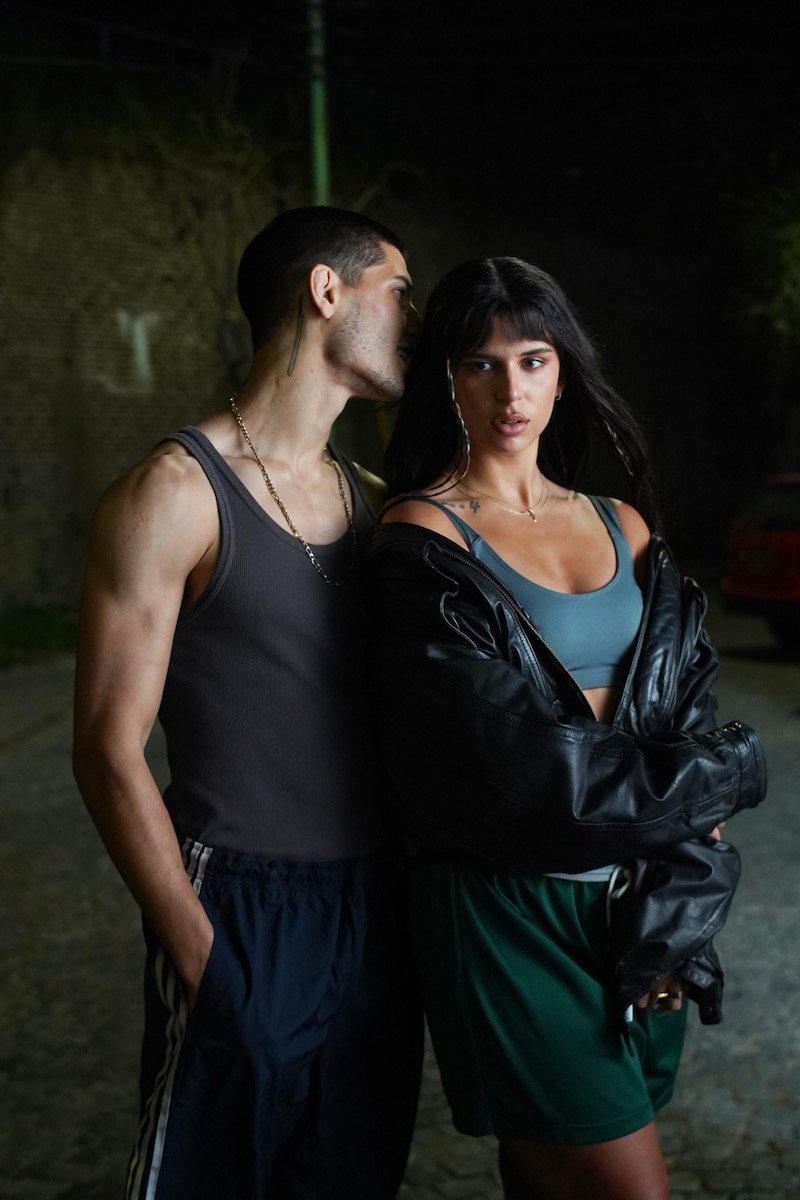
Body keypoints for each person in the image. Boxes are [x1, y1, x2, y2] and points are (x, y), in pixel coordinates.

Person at [363, 256, 768, 1200]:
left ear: (563, 372)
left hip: (637, 907)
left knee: (552, 1174)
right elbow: (523, 775)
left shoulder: (622, 524)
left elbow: (686, 710)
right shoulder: (421, 541)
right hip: (506, 910)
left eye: (534, 361)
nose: (511, 392)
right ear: (446, 379)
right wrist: (727, 775)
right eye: (481, 364)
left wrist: (675, 907)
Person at [72, 206, 423, 1200]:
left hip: (376, 913)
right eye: (398, 293)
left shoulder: (372, 501)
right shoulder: (173, 493)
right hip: (239, 903)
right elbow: (106, 749)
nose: (414, 320)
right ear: (325, 291)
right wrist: (203, 959)